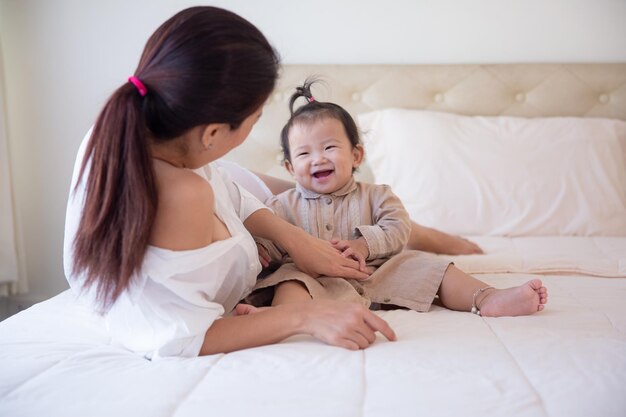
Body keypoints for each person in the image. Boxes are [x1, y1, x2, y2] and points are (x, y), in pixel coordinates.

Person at [64, 6, 397, 358]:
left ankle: (453, 242)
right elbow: (182, 339)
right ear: (211, 134)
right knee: (334, 203)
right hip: (219, 224)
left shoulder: (136, 129)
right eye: (254, 120)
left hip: (240, 199)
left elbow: (232, 193)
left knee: (353, 201)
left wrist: (294, 238)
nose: (255, 126)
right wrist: (301, 316)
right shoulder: (182, 195)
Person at [241, 80, 548, 318]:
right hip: (312, 279)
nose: (318, 158)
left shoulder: (378, 195)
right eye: (304, 153)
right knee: (288, 283)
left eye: (329, 147)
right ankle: (284, 319)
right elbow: (268, 240)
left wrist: (364, 244)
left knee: (431, 267)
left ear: (356, 154)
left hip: (377, 272)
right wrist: (259, 248)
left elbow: (399, 228)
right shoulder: (280, 206)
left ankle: (486, 298)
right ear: (290, 168)